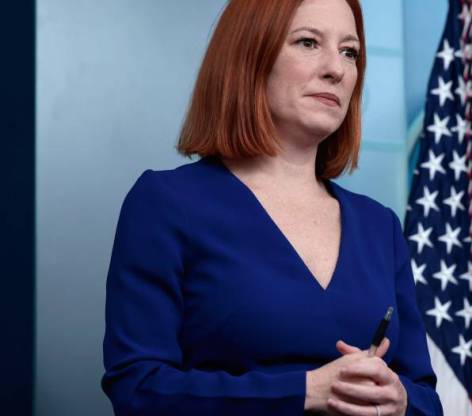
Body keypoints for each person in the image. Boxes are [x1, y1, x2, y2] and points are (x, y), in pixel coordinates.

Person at [100, 0, 443, 415]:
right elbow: (138, 390)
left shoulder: (379, 226)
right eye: (308, 43)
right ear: (249, 57)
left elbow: (425, 396)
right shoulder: (167, 204)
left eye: (349, 51)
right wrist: (305, 391)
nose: (336, 68)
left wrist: (399, 398)